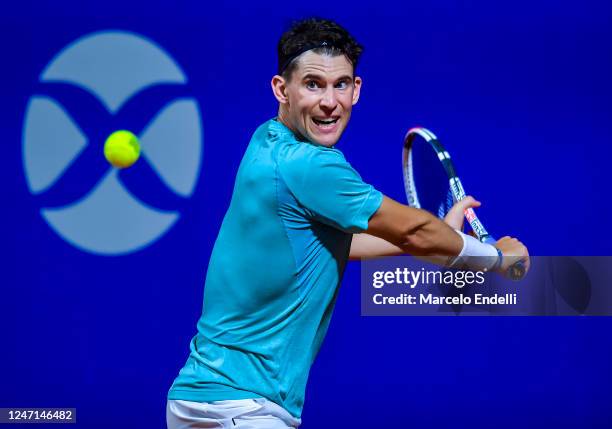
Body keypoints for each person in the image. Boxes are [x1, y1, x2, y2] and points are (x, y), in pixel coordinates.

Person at [166, 17, 529, 428]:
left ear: (356, 90)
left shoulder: (266, 140)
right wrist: (496, 257)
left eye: (341, 84)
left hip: (195, 400)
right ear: (281, 89)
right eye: (313, 85)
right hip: (244, 408)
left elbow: (339, 243)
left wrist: (439, 236)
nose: (329, 101)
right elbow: (412, 230)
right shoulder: (312, 166)